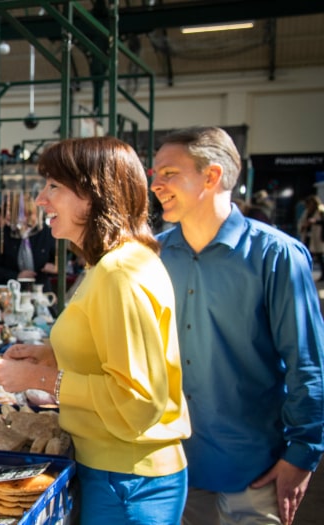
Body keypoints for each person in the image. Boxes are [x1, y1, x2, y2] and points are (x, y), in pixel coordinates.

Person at [0, 136, 191, 524]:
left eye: (54, 187)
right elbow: (108, 354)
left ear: (94, 195)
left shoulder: (120, 272)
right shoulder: (111, 265)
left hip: (129, 481)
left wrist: (39, 377)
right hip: (118, 472)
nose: (41, 200)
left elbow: (138, 399)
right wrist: (49, 354)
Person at [151, 126, 324, 525]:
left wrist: (302, 455)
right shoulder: (154, 255)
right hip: (173, 465)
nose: (155, 184)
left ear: (211, 177)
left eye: (168, 173)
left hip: (254, 469)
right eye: (155, 172)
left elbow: (307, 363)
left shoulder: (277, 256)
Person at [0, 204, 57, 289]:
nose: (27, 219)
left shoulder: (46, 233)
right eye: (23, 215)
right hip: (10, 290)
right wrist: (16, 276)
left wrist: (54, 268)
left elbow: (59, 260)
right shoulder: (3, 234)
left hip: (40, 290)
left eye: (30, 214)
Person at [298, 194, 324, 278]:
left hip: (318, 236)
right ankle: (304, 273)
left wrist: (315, 221)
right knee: (306, 255)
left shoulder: (321, 210)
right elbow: (301, 222)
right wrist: (303, 226)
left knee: (320, 256)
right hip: (308, 236)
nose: (309, 206)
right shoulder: (306, 212)